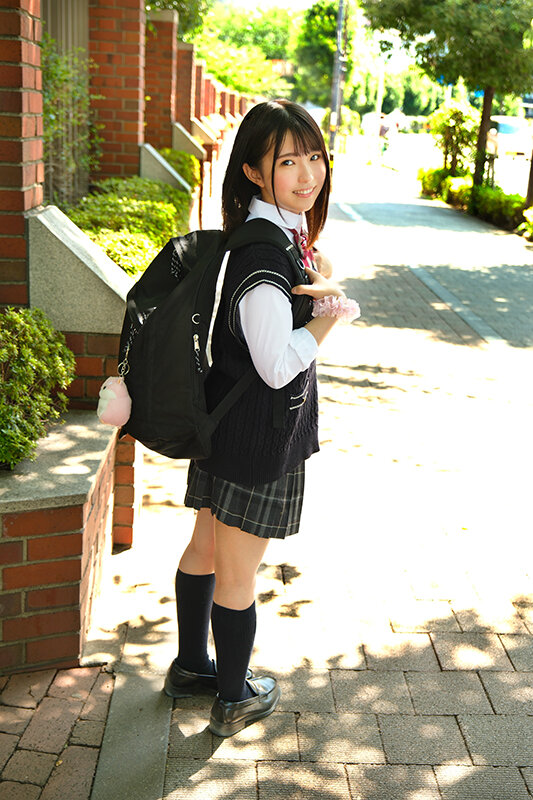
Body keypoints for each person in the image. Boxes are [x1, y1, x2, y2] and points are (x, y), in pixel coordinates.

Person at [163, 99, 360, 738]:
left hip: (225, 424)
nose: (308, 175)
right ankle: (231, 699)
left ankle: (192, 667)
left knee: (205, 547)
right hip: (255, 435)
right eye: (288, 162)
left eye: (314, 158)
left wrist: (320, 275)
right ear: (253, 171)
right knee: (237, 572)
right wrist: (330, 316)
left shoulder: (265, 235)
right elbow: (277, 365)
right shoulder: (263, 262)